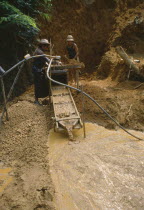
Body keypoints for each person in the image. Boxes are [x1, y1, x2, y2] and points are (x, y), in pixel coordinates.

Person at [32, 39, 50, 105]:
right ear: (42, 46)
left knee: (41, 84)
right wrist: (56, 61)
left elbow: (44, 61)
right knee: (37, 85)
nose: (46, 47)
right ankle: (36, 101)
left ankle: (40, 98)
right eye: (46, 46)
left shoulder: (38, 50)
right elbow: (47, 60)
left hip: (38, 70)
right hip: (37, 70)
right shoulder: (40, 52)